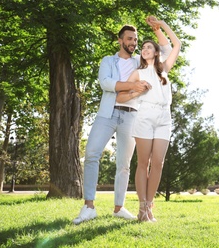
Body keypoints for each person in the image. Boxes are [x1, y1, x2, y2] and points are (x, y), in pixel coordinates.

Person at [73, 17, 172, 225]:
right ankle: (89, 206)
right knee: (91, 154)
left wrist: (157, 28)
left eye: (135, 40)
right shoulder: (108, 61)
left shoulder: (140, 61)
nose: (133, 43)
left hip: (132, 115)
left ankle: (119, 207)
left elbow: (165, 48)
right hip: (107, 113)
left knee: (124, 164)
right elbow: (106, 83)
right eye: (129, 39)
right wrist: (132, 87)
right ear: (120, 40)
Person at [116, 18, 181, 222]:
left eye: (148, 47)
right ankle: (142, 208)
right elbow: (120, 97)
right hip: (144, 117)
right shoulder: (137, 73)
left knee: (158, 163)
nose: (144, 49)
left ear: (155, 52)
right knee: (143, 163)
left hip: (164, 118)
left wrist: (161, 24)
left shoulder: (164, 69)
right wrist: (136, 91)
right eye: (142, 47)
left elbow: (176, 44)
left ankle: (149, 205)